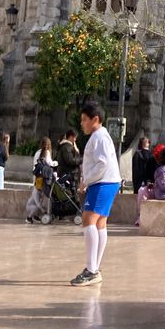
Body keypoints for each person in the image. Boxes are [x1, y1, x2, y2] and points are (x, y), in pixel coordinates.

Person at [70, 101, 121, 287]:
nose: (82, 123)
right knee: (99, 223)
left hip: (102, 182)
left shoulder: (98, 137)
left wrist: (87, 181)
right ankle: (94, 267)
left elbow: (102, 163)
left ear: (95, 119)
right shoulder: (100, 136)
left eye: (84, 119)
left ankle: (91, 270)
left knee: (88, 220)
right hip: (106, 182)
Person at [26, 137, 57, 223]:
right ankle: (31, 216)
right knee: (39, 198)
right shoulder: (47, 152)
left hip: (37, 179)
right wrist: (56, 163)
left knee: (38, 196)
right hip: (43, 179)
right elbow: (49, 163)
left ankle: (36, 216)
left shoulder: (37, 153)